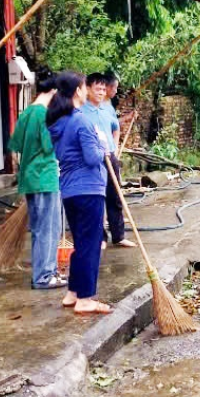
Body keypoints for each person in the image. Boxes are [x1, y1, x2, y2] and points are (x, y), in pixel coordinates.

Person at [47, 71, 112, 314]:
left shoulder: (60, 122)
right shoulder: (81, 120)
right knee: (91, 245)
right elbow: (92, 157)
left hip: (71, 191)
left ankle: (73, 293)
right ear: (77, 91)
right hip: (88, 190)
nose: (87, 91)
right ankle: (86, 299)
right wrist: (102, 145)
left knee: (82, 243)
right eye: (85, 87)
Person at [8, 69, 67, 290]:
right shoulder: (45, 115)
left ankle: (47, 272)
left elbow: (15, 146)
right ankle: (44, 276)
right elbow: (49, 146)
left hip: (30, 177)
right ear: (53, 91)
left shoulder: (26, 114)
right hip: (45, 176)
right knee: (49, 229)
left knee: (40, 230)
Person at [82, 73, 135, 249]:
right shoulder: (82, 111)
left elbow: (115, 128)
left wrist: (114, 148)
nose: (101, 92)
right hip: (93, 159)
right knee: (98, 198)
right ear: (88, 89)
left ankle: (119, 236)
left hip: (110, 157)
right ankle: (101, 237)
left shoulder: (107, 109)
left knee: (115, 197)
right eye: (98, 88)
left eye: (103, 89)